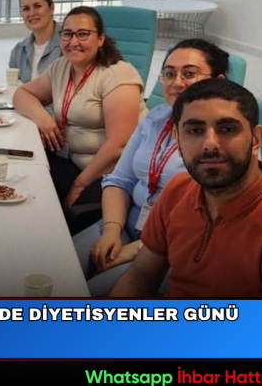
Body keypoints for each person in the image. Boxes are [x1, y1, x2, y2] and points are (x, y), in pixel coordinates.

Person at [109, 78, 262, 330]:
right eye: (194, 131)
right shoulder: (177, 191)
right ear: (178, 139)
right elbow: (141, 276)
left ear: (256, 139)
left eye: (227, 129)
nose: (210, 143)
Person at [73, 39, 229, 295]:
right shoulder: (155, 119)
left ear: (218, 81)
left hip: (172, 249)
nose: (176, 82)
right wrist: (112, 229)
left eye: (189, 73)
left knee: (80, 298)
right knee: (53, 267)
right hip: (125, 224)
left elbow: (207, 225)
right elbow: (119, 180)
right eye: (169, 73)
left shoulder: (224, 141)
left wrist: (134, 250)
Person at [13, 6, 145, 234]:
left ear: (101, 39)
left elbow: (119, 145)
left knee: (48, 214)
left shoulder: (117, 75)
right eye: (67, 34)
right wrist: (43, 118)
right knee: (23, 175)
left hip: (107, 175)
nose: (74, 42)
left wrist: (79, 184)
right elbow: (22, 94)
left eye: (83, 34)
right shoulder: (62, 67)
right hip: (72, 160)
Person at [8, 0, 62, 84]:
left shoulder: (69, 44)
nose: (32, 13)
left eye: (37, 6)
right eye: (26, 9)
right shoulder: (18, 51)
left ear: (51, 8)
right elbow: (14, 88)